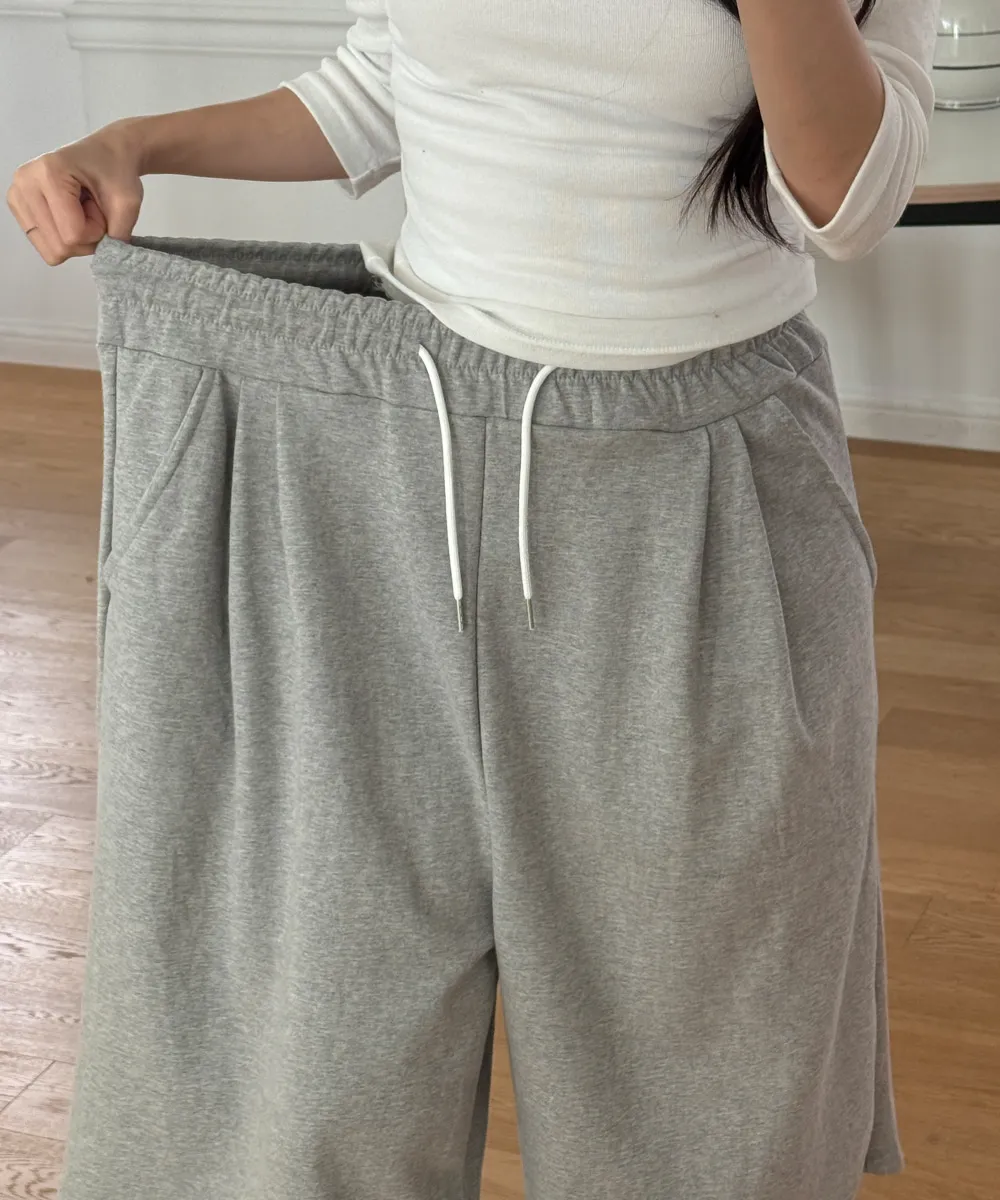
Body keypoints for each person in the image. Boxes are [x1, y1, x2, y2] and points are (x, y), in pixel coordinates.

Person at [7, 2, 941, 1199]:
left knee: (707, 1082)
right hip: (389, 464)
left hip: (699, 483)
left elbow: (848, 203)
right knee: (308, 1066)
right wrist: (134, 141)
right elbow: (380, 83)